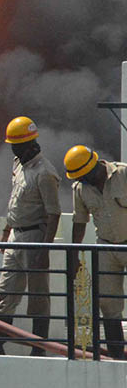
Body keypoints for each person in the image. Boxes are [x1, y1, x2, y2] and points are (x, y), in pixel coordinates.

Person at [0, 117, 60, 356]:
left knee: (38, 296)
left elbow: (53, 215)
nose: (14, 150)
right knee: (6, 292)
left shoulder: (44, 173)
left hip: (35, 236)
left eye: (17, 145)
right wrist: (5, 232)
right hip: (16, 236)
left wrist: (44, 251)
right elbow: (14, 202)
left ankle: (39, 349)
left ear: (30, 145)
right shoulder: (18, 164)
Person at [65, 145, 127, 359]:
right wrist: (74, 257)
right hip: (106, 246)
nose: (81, 180)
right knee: (108, 303)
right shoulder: (80, 189)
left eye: (83, 176)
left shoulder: (123, 174)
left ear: (94, 168)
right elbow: (79, 223)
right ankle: (117, 352)